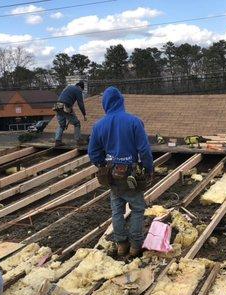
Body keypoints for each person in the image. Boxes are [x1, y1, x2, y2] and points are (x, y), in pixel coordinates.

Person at [88, 86, 154, 257]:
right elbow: (144, 150)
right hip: (131, 175)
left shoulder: (98, 125)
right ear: (121, 101)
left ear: (105, 103)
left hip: (112, 176)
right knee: (138, 208)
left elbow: (93, 152)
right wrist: (148, 169)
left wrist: (103, 164)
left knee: (117, 210)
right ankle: (135, 246)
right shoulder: (134, 122)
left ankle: (121, 245)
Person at [53, 80, 87, 147]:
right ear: (81, 87)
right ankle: (79, 140)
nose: (81, 91)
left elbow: (64, 98)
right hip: (65, 107)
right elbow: (81, 104)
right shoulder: (78, 90)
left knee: (62, 125)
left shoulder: (69, 87)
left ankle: (57, 141)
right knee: (77, 123)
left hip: (57, 106)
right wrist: (84, 114)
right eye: (82, 90)